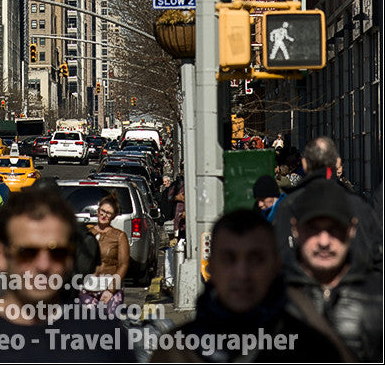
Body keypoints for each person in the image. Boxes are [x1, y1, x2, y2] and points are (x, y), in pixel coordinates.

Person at [0, 184, 140, 362]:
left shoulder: (104, 337)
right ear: (0, 256)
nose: (43, 264)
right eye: (28, 252)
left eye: (57, 252)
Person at [150, 208, 350, 362]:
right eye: (229, 259)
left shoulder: (311, 349)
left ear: (275, 265)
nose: (242, 274)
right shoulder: (176, 352)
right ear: (210, 267)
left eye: (255, 259)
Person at [285, 179, 382, 362]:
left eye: (334, 229)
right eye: (313, 229)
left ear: (352, 229)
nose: (324, 241)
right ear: (296, 229)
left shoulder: (378, 299)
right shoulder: (268, 298)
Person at [272, 135, 382, 272]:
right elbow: (377, 255)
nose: (324, 241)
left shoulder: (288, 206)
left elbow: (278, 256)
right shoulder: (358, 205)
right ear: (338, 162)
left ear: (304, 164)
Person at [79, 190, 130, 318]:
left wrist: (111, 290)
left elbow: (123, 264)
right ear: (98, 211)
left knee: (110, 327)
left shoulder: (119, 236)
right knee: (87, 327)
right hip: (88, 289)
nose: (104, 215)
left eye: (108, 213)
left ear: (113, 216)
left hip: (109, 289)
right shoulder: (87, 234)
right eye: (102, 211)